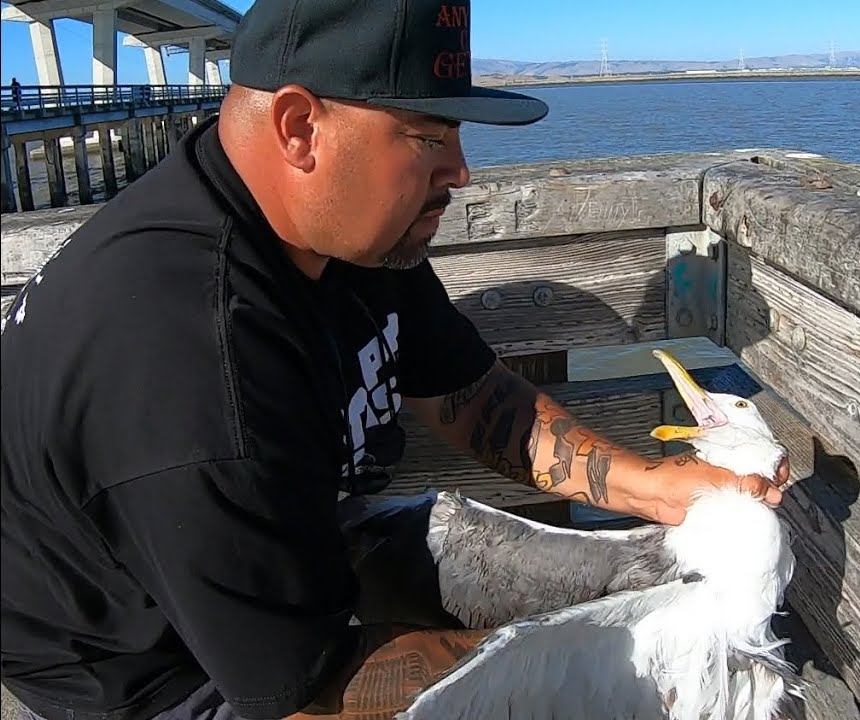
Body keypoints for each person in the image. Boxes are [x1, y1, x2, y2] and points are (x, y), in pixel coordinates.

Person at [0, 1, 787, 720]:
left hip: (301, 552)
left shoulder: (344, 239)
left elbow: (472, 399)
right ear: (299, 127)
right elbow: (302, 693)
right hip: (166, 677)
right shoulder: (185, 364)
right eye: (427, 136)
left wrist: (654, 488)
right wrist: (615, 667)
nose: (462, 171)